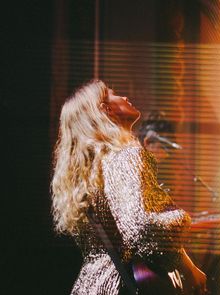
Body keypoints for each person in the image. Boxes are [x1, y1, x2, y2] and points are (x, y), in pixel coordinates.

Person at [51, 80, 206, 294]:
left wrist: (188, 265)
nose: (124, 97)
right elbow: (141, 230)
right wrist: (180, 218)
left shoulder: (88, 172)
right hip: (121, 285)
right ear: (105, 109)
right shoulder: (126, 155)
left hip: (91, 284)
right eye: (114, 95)